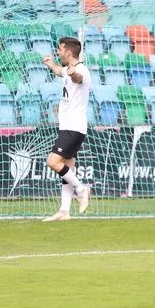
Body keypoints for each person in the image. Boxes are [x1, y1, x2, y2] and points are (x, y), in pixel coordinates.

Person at [41, 36, 92, 222]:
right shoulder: (67, 68)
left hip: (74, 127)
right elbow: (58, 71)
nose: (58, 52)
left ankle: (81, 189)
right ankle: (64, 210)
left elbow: (78, 78)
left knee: (53, 161)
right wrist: (51, 64)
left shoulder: (81, 70)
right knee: (68, 167)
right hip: (70, 127)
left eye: (60, 49)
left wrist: (72, 73)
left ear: (68, 52)